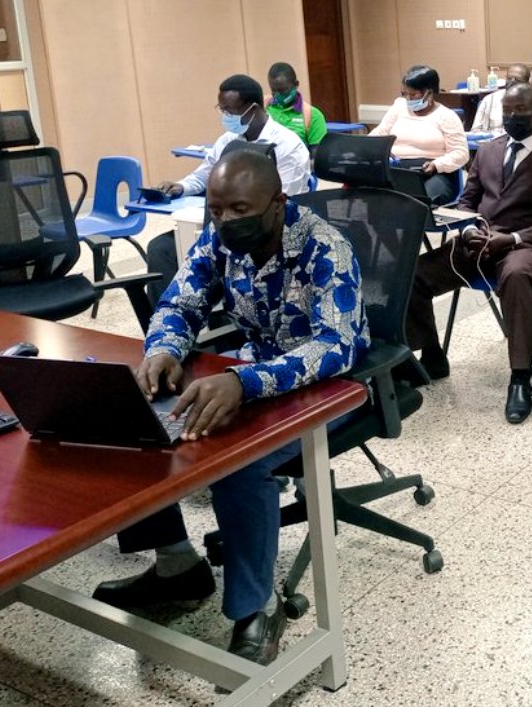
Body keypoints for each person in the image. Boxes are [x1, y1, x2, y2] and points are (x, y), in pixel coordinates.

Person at [92, 149, 367, 664]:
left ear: (277, 203)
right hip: (250, 371)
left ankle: (254, 611)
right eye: (216, 210)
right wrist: (165, 349)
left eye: (239, 209)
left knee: (239, 466)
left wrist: (246, 381)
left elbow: (337, 345)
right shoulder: (218, 239)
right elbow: (179, 301)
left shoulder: (324, 248)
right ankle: (176, 564)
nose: (225, 221)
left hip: (328, 386)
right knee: (132, 420)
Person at [405, 85, 532, 424]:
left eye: (522, 112)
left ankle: (519, 378)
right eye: (508, 112)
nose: (513, 118)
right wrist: (469, 230)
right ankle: (432, 355)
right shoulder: (486, 151)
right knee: (414, 275)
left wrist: (510, 238)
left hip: (525, 245)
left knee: (515, 277)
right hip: (477, 241)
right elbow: (467, 203)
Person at [146, 74, 312, 303]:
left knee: (218, 253)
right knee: (160, 249)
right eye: (221, 109)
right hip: (224, 228)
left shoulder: (287, 146)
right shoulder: (228, 140)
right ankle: (169, 322)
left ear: (252, 109)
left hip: (264, 232)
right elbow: (205, 174)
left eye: (230, 111)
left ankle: (228, 314)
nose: (225, 116)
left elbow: (285, 203)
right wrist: (180, 186)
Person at [369, 65, 469, 205]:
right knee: (369, 195)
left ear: (430, 92)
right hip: (396, 170)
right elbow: (379, 134)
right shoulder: (399, 108)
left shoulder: (446, 116)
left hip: (433, 173)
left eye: (414, 94)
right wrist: (366, 148)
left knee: (418, 203)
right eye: (405, 94)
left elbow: (461, 153)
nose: (408, 99)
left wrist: (436, 165)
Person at [265, 62, 328, 152]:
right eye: (274, 91)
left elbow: (316, 157)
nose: (279, 96)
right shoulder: (264, 108)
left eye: (283, 91)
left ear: (296, 84)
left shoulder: (312, 115)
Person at [471, 63, 532, 135]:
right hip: (493, 145)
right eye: (509, 78)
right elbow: (475, 131)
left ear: (526, 82)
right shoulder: (489, 100)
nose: (512, 82)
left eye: (517, 80)